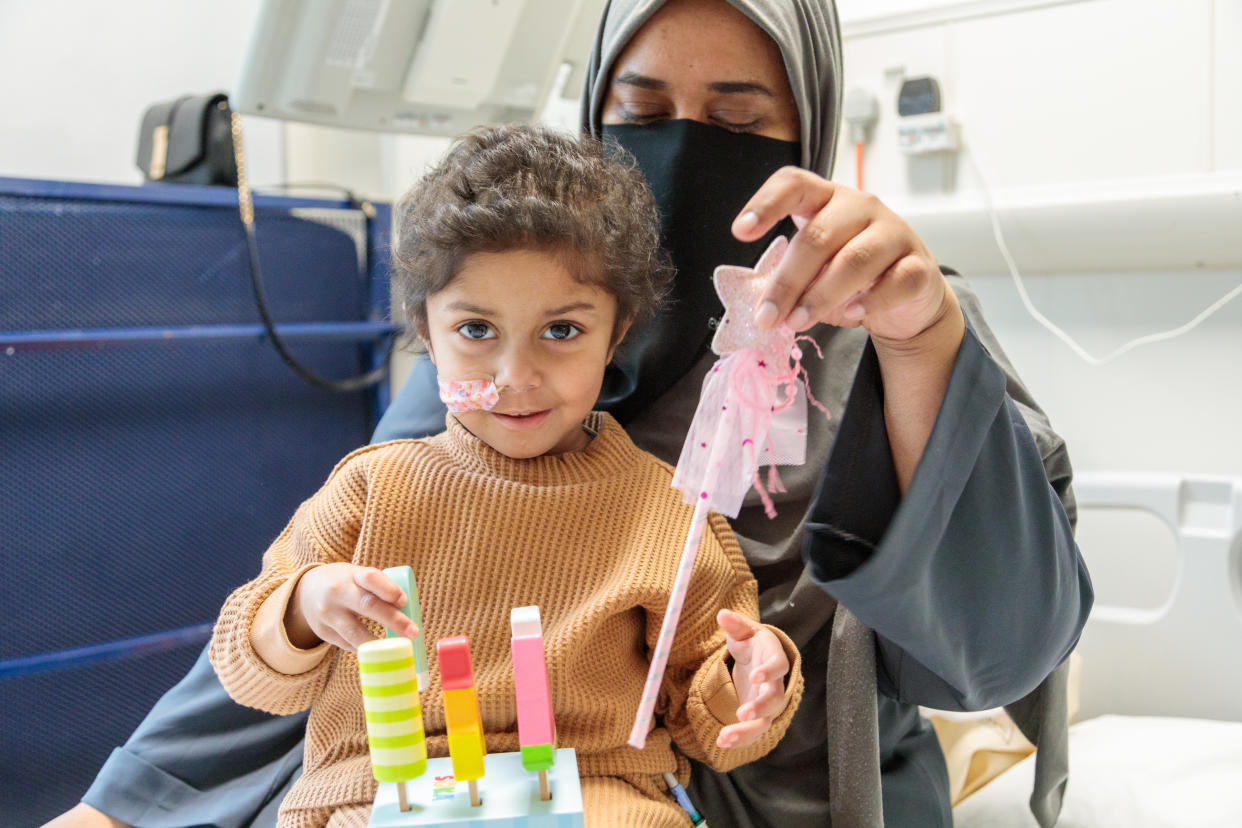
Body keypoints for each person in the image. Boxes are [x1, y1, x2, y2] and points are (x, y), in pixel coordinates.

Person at [55, 1, 1092, 826]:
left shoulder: (894, 322)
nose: (683, 157)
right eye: (640, 118)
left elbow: (989, 658)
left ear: (809, 125)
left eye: (736, 122)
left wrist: (921, 344)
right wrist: (120, 800)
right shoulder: (494, 344)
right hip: (476, 785)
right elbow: (344, 590)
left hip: (782, 789)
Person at [207, 124, 804, 828]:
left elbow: (713, 729)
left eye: (561, 332)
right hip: (380, 793)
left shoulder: (666, 508)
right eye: (476, 331)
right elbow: (251, 675)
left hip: (596, 791)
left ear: (618, 331)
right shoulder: (372, 490)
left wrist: (751, 677)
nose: (516, 378)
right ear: (426, 334)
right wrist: (305, 608)